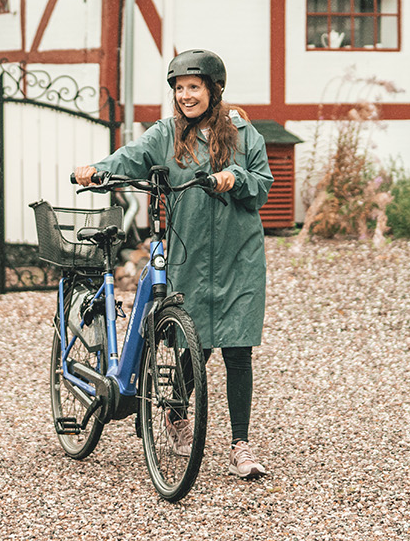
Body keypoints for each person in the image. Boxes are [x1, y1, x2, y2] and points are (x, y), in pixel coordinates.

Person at [72, 49, 273, 479]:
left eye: (194, 87)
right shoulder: (166, 133)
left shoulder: (241, 133)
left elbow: (263, 186)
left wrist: (235, 179)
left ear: (213, 90)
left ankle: (241, 444)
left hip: (241, 256)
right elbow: (132, 156)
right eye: (179, 89)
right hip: (191, 253)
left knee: (238, 350)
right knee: (191, 345)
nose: (186, 96)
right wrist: (97, 169)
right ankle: (176, 416)